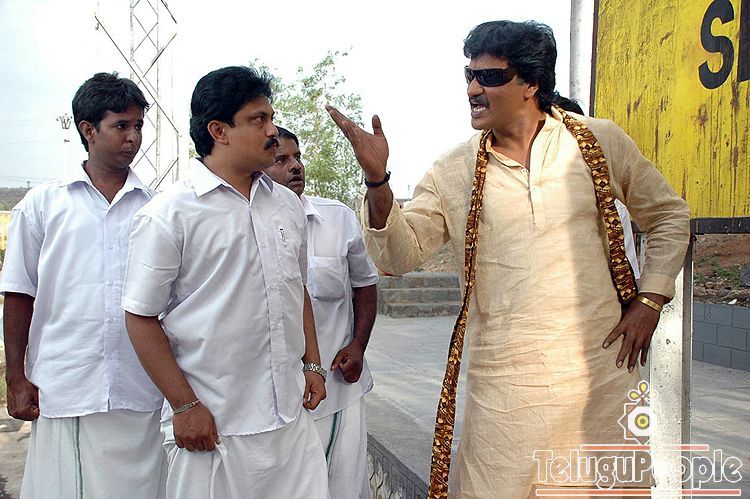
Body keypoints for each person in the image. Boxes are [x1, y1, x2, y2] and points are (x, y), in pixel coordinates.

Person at [327, 20, 690, 497]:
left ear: (531, 83)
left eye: (490, 77)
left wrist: (650, 300)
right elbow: (399, 254)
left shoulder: (596, 142)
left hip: (599, 379)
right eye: (469, 76)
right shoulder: (455, 168)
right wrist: (378, 182)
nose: (473, 89)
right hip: (504, 388)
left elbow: (668, 216)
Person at [122, 66, 330, 498]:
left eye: (271, 118)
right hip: (213, 428)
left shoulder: (287, 206)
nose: (273, 132)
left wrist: (312, 364)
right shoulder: (170, 215)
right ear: (219, 131)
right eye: (258, 120)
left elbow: (297, 290)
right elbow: (140, 317)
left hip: (291, 420)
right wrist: (185, 405)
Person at [0, 72, 166, 498]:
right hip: (66, 384)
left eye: (138, 125)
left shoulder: (157, 209)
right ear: (88, 130)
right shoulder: (43, 205)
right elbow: (19, 292)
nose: (133, 137)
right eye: (121, 125)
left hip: (140, 385)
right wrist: (16, 377)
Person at [267, 127, 378, 499]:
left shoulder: (338, 218)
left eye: (297, 157)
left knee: (343, 487)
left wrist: (358, 345)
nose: (295, 166)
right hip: (275, 401)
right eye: (281, 160)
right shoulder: (246, 224)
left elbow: (365, 284)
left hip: (336, 390)